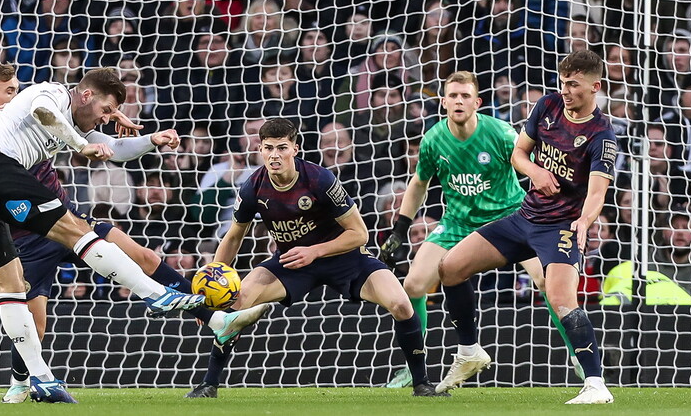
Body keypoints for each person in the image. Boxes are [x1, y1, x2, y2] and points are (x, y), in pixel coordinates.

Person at [0, 62, 262, 403]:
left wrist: (152, 139)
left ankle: (212, 319)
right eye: (8, 90)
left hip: (62, 213)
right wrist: (80, 143)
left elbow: (114, 149)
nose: (15, 93)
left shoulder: (57, 116)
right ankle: (22, 381)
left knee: (143, 255)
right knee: (36, 320)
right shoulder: (0, 124)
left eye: (16, 88)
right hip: (28, 234)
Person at [185, 118, 439, 399]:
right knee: (236, 303)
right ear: (260, 149)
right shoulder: (253, 187)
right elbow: (233, 237)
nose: (274, 155)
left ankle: (422, 384)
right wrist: (212, 287)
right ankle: (209, 384)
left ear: (296, 148)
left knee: (401, 304)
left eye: (282, 148)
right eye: (268, 148)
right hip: (291, 262)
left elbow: (359, 234)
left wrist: (315, 250)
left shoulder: (320, 180)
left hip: (344, 257)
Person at [437, 50, 619, 404]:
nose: (565, 91)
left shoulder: (602, 135)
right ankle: (470, 350)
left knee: (562, 299)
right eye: (563, 83)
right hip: (524, 218)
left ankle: (596, 384)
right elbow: (518, 154)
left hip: (560, 227)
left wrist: (583, 219)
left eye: (574, 85)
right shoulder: (547, 107)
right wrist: (535, 171)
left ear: (595, 86)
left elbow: (597, 192)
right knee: (450, 268)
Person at [379, 71, 550, 391]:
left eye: (465, 96)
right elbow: (419, 183)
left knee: (546, 280)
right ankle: (412, 367)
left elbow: (528, 159)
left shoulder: (499, 132)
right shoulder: (433, 139)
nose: (459, 101)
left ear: (477, 102)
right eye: (453, 96)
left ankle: (580, 361)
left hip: (509, 216)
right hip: (457, 222)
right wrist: (400, 230)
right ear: (443, 102)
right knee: (413, 285)